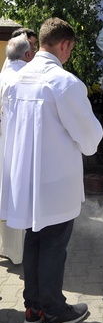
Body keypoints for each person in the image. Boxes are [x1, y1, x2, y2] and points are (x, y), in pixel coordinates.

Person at [0, 17, 103, 323]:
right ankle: (55, 311)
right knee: (54, 245)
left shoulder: (15, 78)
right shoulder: (65, 82)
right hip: (54, 180)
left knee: (34, 240)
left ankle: (32, 308)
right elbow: (90, 140)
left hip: (24, 179)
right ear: (65, 44)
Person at [0, 34, 33, 264]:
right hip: (14, 149)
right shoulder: (24, 79)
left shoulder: (3, 76)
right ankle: (17, 253)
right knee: (13, 197)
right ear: (28, 55)